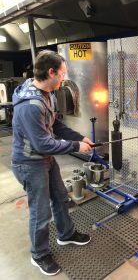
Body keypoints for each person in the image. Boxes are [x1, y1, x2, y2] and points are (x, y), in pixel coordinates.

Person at [11, 50, 94, 276]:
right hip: (29, 163)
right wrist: (77, 148)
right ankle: (39, 254)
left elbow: (55, 126)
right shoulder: (30, 105)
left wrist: (79, 137)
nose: (64, 78)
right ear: (51, 72)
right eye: (62, 73)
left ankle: (66, 235)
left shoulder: (48, 93)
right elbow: (43, 145)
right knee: (40, 211)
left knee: (60, 196)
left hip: (44, 160)